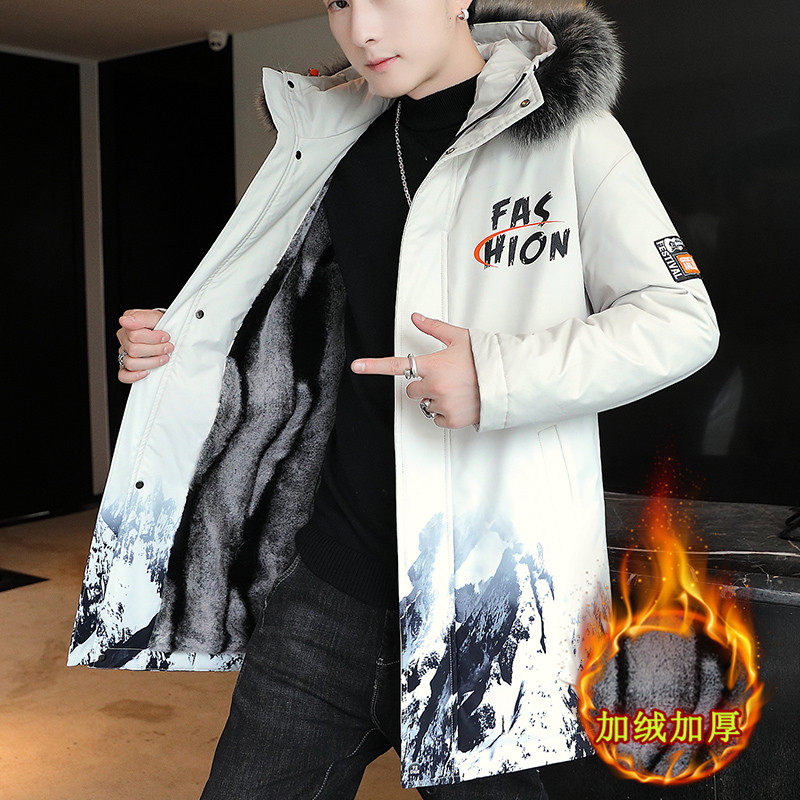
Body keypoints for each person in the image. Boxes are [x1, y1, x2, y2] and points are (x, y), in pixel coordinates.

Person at [84, 1, 721, 798]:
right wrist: (182, 347)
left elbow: (680, 321)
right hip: (329, 581)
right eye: (340, 1)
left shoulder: (569, 133)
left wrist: (496, 378)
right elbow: (293, 329)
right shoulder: (325, 136)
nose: (362, 29)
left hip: (493, 599)